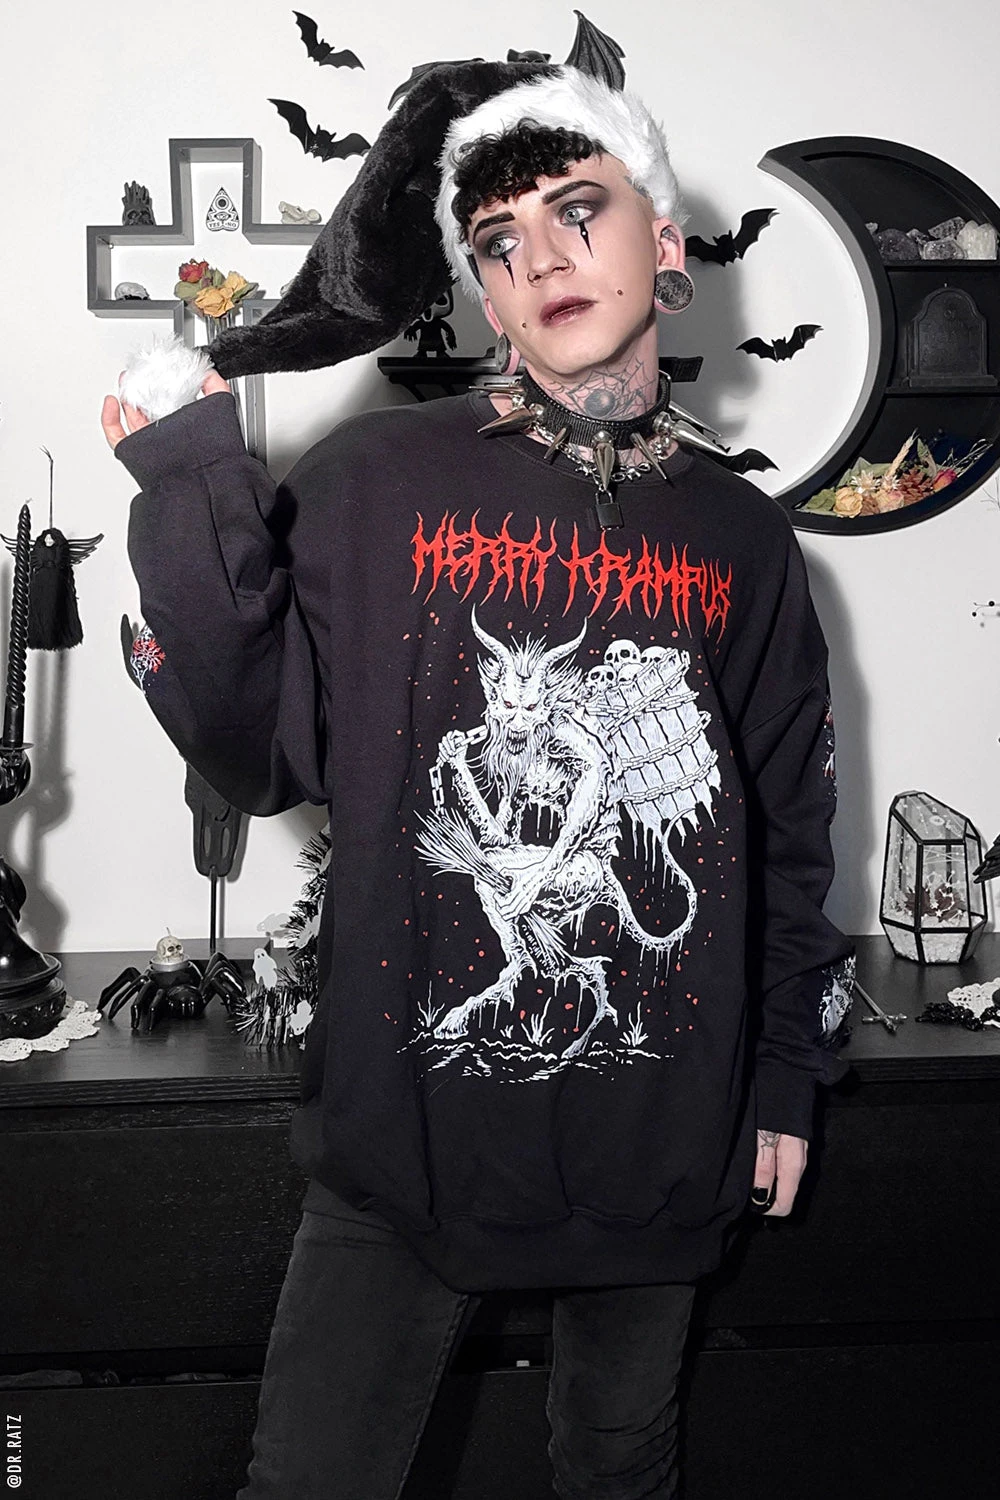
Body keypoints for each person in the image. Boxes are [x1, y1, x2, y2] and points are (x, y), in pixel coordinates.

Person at [101, 40, 855, 1500]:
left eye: (579, 211)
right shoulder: (373, 480)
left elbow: (784, 822)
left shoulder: (742, 538)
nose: (544, 260)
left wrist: (785, 1072)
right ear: (484, 296)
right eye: (500, 244)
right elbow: (257, 750)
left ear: (667, 243)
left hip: (660, 1126)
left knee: (618, 1470)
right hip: (407, 1133)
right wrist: (191, 483)